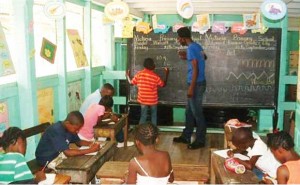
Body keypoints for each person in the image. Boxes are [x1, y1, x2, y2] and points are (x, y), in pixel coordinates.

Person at [173, 26, 207, 149]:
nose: (178, 40)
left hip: (195, 84)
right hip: (198, 82)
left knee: (197, 113)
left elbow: (196, 69)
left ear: (183, 38)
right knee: (189, 112)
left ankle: (200, 140)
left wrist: (191, 88)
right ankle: (186, 136)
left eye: (179, 38)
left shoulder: (191, 48)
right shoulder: (196, 46)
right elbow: (204, 57)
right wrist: (186, 57)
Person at [35, 111, 100, 166]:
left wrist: (91, 144)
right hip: (46, 159)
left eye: (78, 129)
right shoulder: (56, 130)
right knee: (77, 165)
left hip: (57, 155)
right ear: (67, 123)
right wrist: (90, 150)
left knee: (82, 160)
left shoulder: (70, 129)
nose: (77, 131)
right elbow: (68, 153)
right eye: (76, 129)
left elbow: (78, 142)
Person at [127, 57, 169, 125]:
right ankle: (153, 132)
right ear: (152, 66)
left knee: (143, 116)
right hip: (153, 100)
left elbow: (131, 83)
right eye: (153, 64)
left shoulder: (139, 74)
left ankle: (140, 131)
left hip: (143, 99)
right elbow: (163, 85)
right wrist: (167, 74)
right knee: (153, 116)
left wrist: (127, 76)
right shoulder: (155, 76)